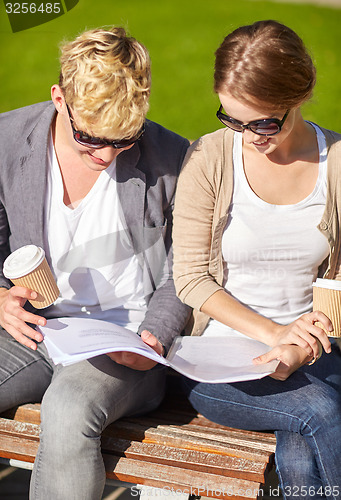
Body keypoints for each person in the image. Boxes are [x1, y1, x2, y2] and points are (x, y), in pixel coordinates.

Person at [0, 27, 190, 499]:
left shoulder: (174, 159)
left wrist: (154, 336)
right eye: (90, 140)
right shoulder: (7, 140)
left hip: (126, 342)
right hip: (34, 333)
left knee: (67, 408)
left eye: (124, 140)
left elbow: (185, 268)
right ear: (59, 98)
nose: (106, 156)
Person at [173, 20, 341, 500]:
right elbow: (190, 278)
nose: (248, 136)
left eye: (264, 122)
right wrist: (274, 335)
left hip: (317, 348)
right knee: (321, 413)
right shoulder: (207, 158)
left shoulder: (337, 161)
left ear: (300, 96)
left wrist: (302, 344)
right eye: (232, 119)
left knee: (299, 443)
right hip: (220, 359)